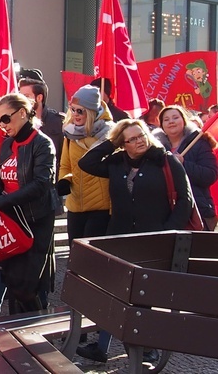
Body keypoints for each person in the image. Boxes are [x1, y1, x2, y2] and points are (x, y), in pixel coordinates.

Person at [77, 119, 193, 364]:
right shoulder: (115, 161)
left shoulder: (165, 160)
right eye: (132, 138)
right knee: (114, 292)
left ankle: (146, 349)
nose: (139, 141)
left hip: (152, 239)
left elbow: (185, 201)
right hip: (119, 236)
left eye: (141, 135)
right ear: (123, 143)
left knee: (143, 297)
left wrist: (166, 232)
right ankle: (101, 346)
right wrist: (110, 142)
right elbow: (85, 163)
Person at [0, 93, 57, 315]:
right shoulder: (7, 145)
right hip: (11, 220)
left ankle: (40, 329)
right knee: (13, 281)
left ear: (23, 113)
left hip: (36, 219)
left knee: (27, 285)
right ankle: (20, 335)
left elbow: (41, 184)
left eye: (6, 118)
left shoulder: (42, 143)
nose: (2, 125)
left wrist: (3, 200)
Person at [57, 85, 114, 246]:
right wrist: (64, 180)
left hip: (101, 207)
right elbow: (65, 166)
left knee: (91, 261)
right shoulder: (69, 134)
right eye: (72, 109)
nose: (75, 114)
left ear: (91, 112)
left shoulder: (110, 134)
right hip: (75, 206)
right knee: (75, 258)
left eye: (80, 111)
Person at [157, 105, 218, 231]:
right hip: (167, 213)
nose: (171, 122)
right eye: (166, 119)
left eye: (175, 117)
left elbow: (210, 175)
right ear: (161, 125)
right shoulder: (157, 149)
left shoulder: (199, 143)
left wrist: (183, 164)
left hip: (199, 210)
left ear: (184, 121)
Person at [18, 77, 63, 168]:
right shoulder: (18, 123)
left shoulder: (59, 122)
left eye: (26, 96)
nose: (21, 101)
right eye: (20, 96)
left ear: (39, 98)